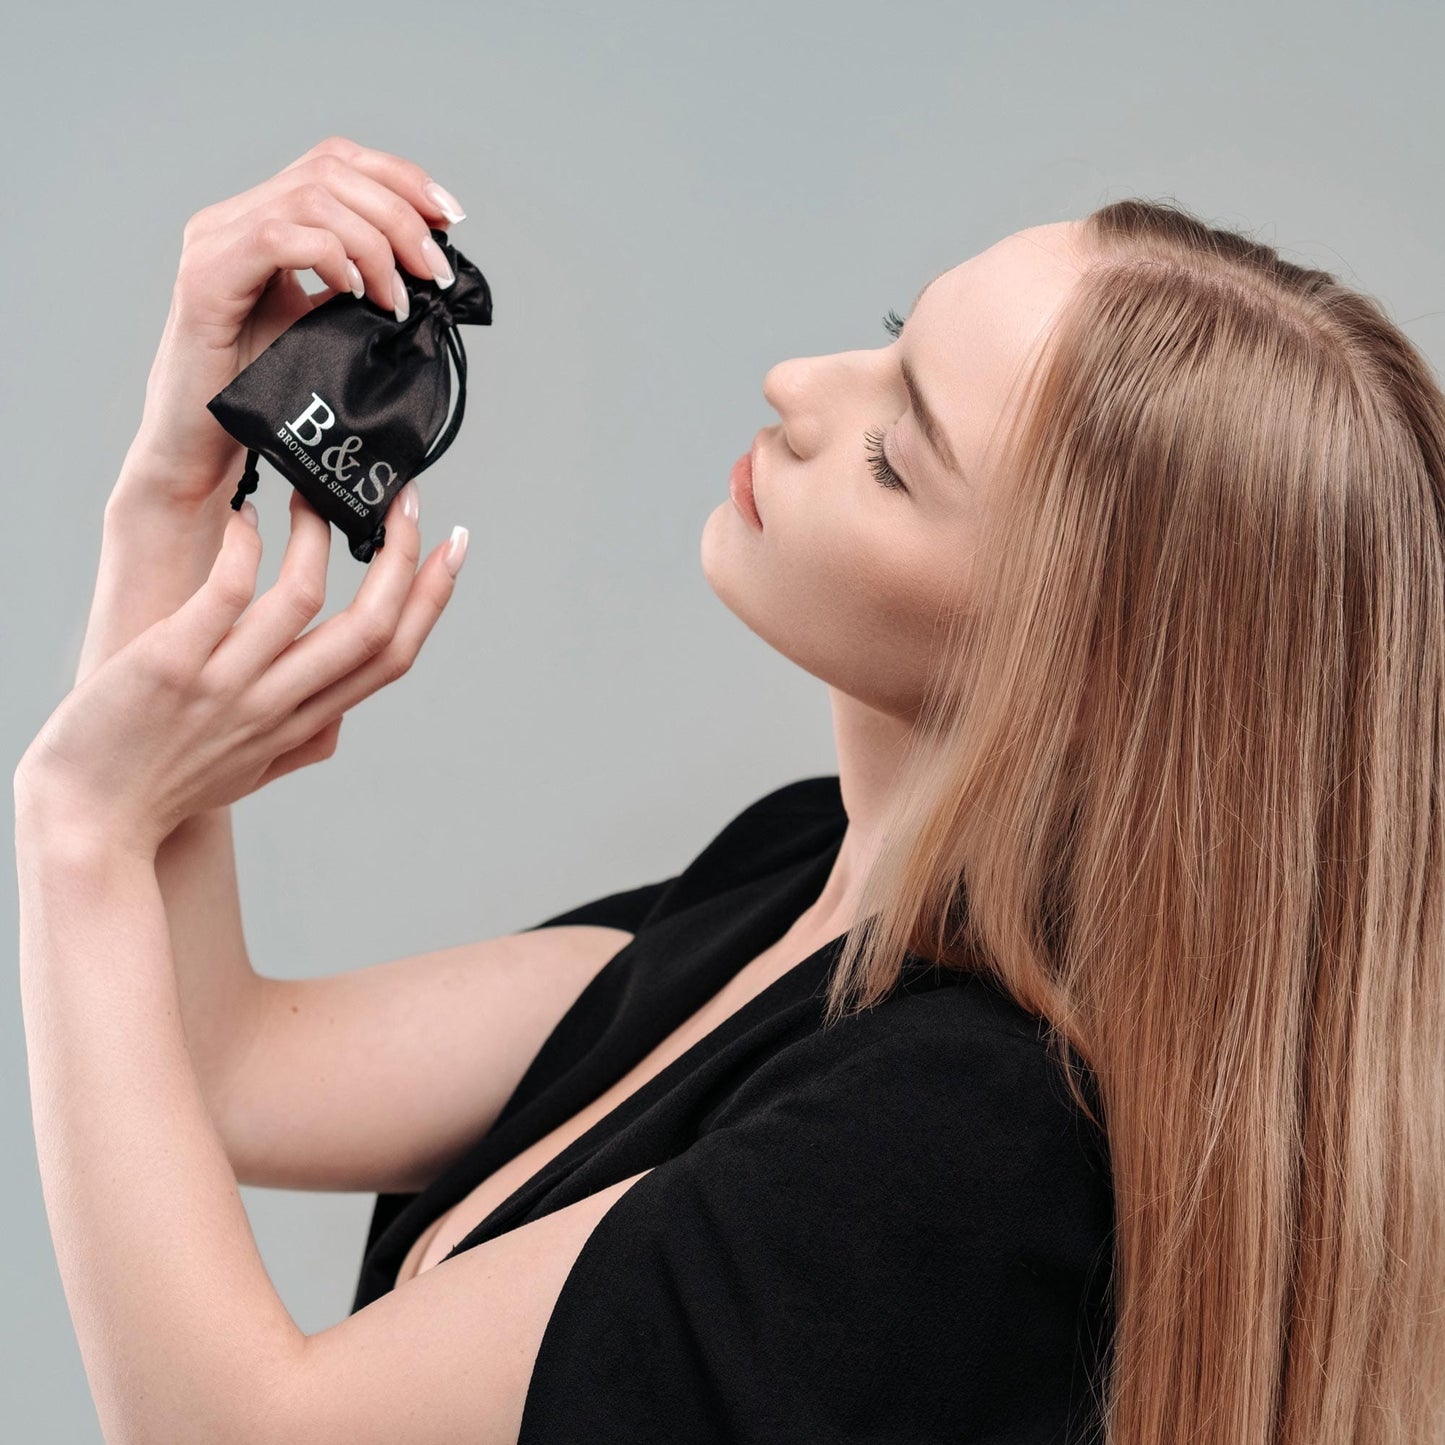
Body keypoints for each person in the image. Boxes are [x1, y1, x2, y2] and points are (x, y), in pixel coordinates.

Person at [16, 133, 1445, 1445]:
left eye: (899, 454)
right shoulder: (798, 880)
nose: (799, 388)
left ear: (1067, 662)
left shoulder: (966, 1138)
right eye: (893, 342)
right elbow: (221, 1067)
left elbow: (246, 1430)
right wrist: (183, 476)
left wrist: (78, 828)